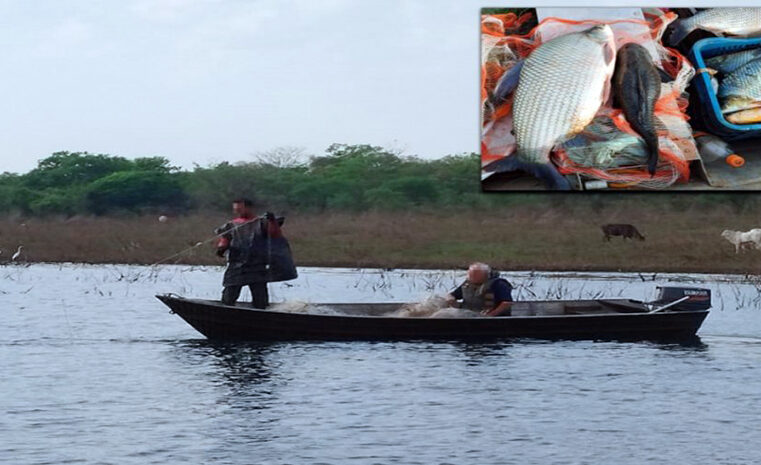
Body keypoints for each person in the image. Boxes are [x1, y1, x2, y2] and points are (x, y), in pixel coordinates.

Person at [215, 197, 297, 308]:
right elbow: (225, 238)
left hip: (257, 264)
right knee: (230, 291)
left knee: (259, 294)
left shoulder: (261, 222)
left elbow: (274, 234)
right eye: (236, 209)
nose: (237, 211)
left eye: (240, 209)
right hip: (236, 264)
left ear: (249, 208)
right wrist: (222, 247)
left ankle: (261, 311)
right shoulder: (231, 225)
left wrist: (272, 220)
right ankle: (225, 309)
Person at [447, 263, 513, 316]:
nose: (473, 278)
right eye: (472, 276)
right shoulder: (467, 284)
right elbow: (453, 295)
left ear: (486, 275)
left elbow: (506, 303)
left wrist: (491, 315)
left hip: (488, 315)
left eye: (477, 276)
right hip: (468, 313)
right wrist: (451, 300)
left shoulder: (498, 284)